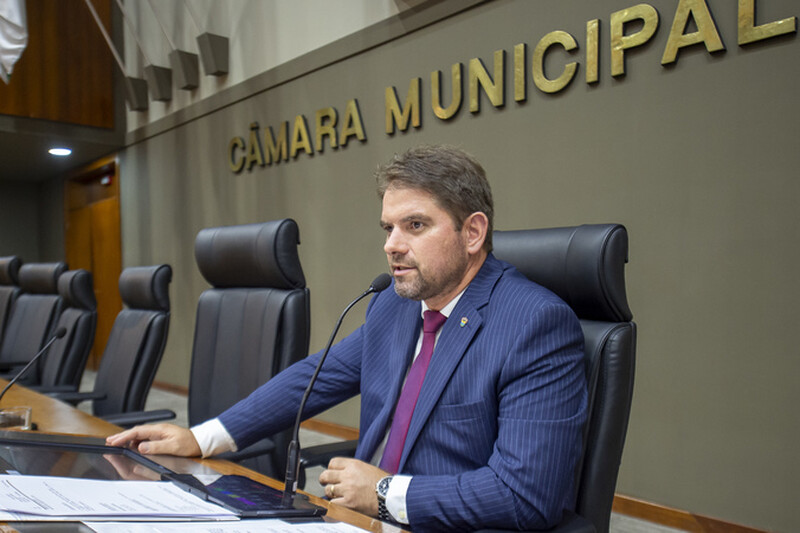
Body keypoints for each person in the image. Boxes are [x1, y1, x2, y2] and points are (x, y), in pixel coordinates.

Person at [107, 145, 587, 531]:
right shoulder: (394, 305)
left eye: (415, 225)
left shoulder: (535, 324)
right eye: (388, 227)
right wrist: (200, 437)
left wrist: (383, 494)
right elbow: (313, 379)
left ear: (473, 232)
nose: (391, 245)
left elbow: (525, 496)